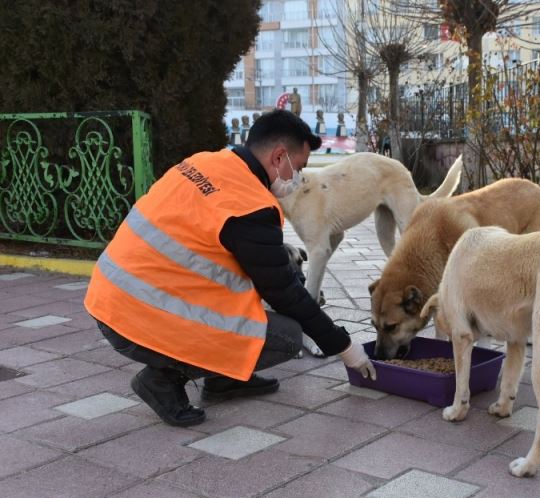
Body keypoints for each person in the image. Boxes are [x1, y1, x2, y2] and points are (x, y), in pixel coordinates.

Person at [84, 110, 376, 427]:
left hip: (111, 295)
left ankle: (225, 378)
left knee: (271, 280)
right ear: (280, 157)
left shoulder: (206, 163)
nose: (299, 178)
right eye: (300, 168)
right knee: (286, 336)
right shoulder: (248, 206)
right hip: (136, 315)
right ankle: (161, 379)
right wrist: (344, 347)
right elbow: (285, 294)